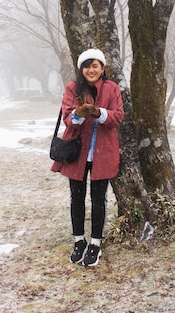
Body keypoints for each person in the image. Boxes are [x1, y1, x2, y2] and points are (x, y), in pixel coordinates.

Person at [51, 48, 124, 267]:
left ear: (102, 68)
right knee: (77, 197)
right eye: (87, 66)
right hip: (77, 152)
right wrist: (79, 114)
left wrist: (99, 113)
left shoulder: (111, 89)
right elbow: (67, 118)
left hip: (104, 152)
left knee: (99, 199)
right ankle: (79, 240)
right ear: (81, 68)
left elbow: (118, 116)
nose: (91, 70)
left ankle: (95, 243)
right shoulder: (73, 88)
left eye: (95, 66)